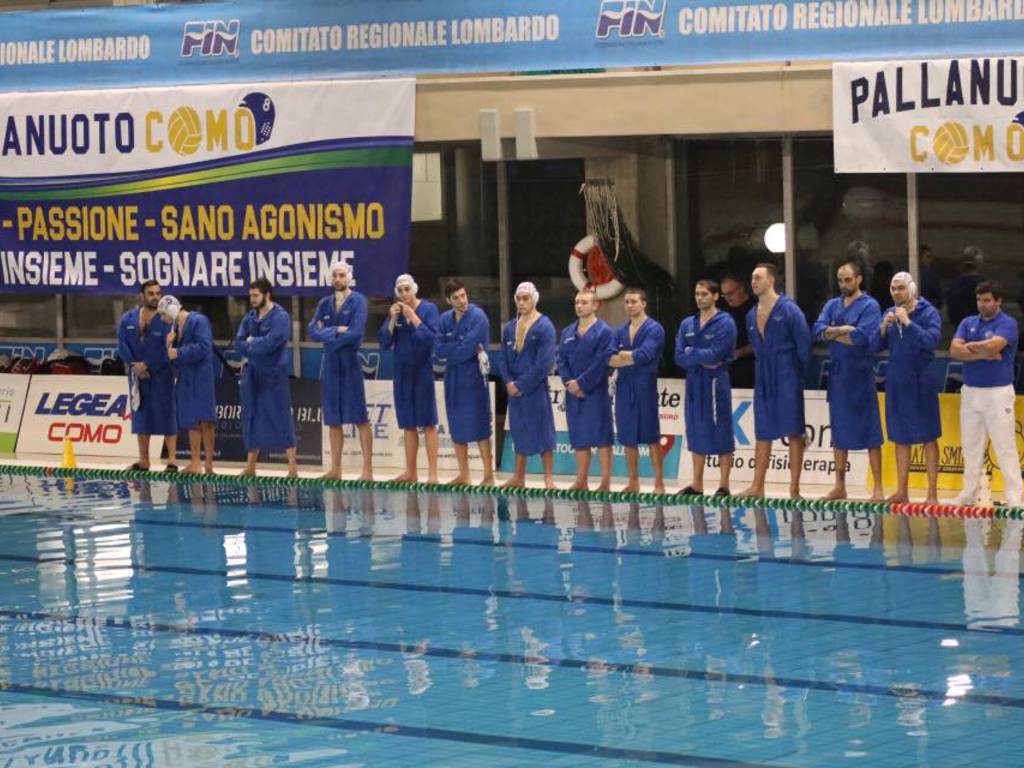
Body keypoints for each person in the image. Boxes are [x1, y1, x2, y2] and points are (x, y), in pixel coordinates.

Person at [738, 263, 812, 500]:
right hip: (763, 375)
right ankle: (757, 486)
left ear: (770, 280)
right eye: (752, 277)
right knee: (763, 431)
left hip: (786, 373)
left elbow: (805, 346)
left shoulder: (789, 310)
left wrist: (794, 373)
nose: (753, 281)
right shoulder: (751, 314)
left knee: (793, 430)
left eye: (758, 277)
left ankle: (794, 489)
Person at [813, 261, 885, 501]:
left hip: (861, 374)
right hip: (839, 375)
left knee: (871, 434)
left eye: (847, 280)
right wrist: (844, 330)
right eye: (840, 280)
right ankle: (839, 485)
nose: (843, 284)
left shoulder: (870, 305)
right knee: (839, 434)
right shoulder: (832, 304)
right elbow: (817, 330)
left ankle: (878, 488)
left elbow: (863, 338)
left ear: (859, 279)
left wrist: (834, 332)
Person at [950, 281, 1023, 508]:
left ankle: (1014, 494)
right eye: (979, 300)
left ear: (999, 301)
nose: (982, 305)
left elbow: (994, 347)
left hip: (997, 392)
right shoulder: (967, 322)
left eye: (987, 300)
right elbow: (954, 350)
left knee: (1005, 445)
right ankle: (969, 492)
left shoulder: (1008, 323)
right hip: (971, 392)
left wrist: (971, 347)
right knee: (971, 446)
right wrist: (984, 351)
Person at [880, 272, 942, 504]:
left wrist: (908, 323)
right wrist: (883, 328)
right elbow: (876, 346)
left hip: (921, 380)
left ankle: (932, 493)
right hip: (897, 380)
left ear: (912, 289)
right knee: (900, 437)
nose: (896, 292)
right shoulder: (889, 313)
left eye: (901, 288)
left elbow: (931, 342)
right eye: (893, 289)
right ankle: (902, 490)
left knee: (929, 436)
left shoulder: (929, 313)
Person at [308, 261, 373, 481]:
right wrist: (337, 330)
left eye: (341, 275)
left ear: (349, 277)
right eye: (335, 275)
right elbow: (312, 332)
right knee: (333, 419)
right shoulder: (324, 303)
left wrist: (327, 334)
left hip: (350, 365)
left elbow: (355, 334)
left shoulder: (359, 301)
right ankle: (336, 469)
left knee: (360, 418)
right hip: (331, 366)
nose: (338, 279)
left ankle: (368, 470)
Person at [675, 279, 737, 495]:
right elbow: (678, 356)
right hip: (694, 382)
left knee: (721, 428)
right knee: (695, 428)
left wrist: (692, 354)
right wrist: (699, 357)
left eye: (704, 294)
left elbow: (717, 354)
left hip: (715, 381)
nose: (699, 297)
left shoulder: (725, 323)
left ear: (715, 296)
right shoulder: (687, 324)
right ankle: (697, 483)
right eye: (697, 293)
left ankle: (724, 485)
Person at [379, 273, 440, 484]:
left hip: (422, 372)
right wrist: (393, 319)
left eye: (407, 289)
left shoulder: (429, 309)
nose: (405, 294)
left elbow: (430, 340)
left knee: (429, 423)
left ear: (414, 289)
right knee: (408, 425)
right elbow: (384, 343)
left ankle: (432, 473)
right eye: (401, 291)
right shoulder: (395, 314)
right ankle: (411, 472)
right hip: (402, 373)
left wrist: (413, 316)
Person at [234, 278, 298, 478]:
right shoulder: (250, 317)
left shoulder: (281, 317)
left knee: (281, 418)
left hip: (274, 375)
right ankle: (251, 467)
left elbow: (272, 343)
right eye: (250, 295)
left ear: (267, 295)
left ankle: (292, 469)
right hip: (253, 374)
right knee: (251, 417)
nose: (252, 299)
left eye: (255, 295)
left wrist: (252, 342)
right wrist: (254, 344)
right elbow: (238, 342)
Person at [433, 279, 494, 485]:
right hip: (453, 379)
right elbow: (438, 349)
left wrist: (451, 350)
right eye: (457, 297)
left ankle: (488, 475)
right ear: (448, 300)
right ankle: (464, 474)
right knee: (457, 426)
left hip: (474, 377)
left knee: (480, 426)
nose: (462, 301)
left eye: (464, 295)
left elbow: (468, 349)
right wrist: (454, 349)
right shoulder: (443, 320)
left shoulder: (478, 317)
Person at [499, 282, 557, 489]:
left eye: (526, 298)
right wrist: (508, 382)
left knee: (543, 430)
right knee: (519, 430)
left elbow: (545, 362)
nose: (522, 303)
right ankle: (519, 476)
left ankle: (548, 477)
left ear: (534, 299)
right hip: (514, 389)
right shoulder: (509, 328)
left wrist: (522, 384)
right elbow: (503, 359)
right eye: (519, 299)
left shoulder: (545, 326)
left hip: (534, 388)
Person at [557, 289, 616, 491]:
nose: (579, 306)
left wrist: (582, 383)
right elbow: (561, 360)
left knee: (601, 437)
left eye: (583, 302)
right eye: (577, 302)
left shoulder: (605, 332)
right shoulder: (567, 332)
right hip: (573, 392)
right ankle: (581, 480)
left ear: (595, 305)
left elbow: (602, 362)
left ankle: (605, 481)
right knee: (579, 437)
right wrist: (569, 383)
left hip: (595, 391)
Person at [117, 280, 178, 472]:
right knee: (141, 415)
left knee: (167, 414)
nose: (155, 297)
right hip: (137, 375)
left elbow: (167, 348)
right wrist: (135, 366)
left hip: (161, 373)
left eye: (158, 293)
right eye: (151, 293)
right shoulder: (127, 319)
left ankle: (172, 460)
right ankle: (144, 461)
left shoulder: (167, 319)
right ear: (141, 296)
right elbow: (122, 344)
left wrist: (148, 365)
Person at [609, 287, 666, 493]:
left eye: (634, 301)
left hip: (645, 385)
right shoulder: (620, 331)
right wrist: (631, 357)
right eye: (627, 302)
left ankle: (659, 482)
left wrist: (625, 356)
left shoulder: (655, 329)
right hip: (624, 385)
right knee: (627, 435)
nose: (630, 305)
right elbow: (610, 357)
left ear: (644, 303)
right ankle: (633, 481)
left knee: (651, 435)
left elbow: (647, 354)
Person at [158, 295, 216, 475]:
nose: (162, 319)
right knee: (192, 421)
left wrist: (178, 352)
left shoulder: (199, 321)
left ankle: (209, 465)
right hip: (186, 378)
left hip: (201, 377)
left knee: (206, 420)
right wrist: (168, 347)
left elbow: (204, 346)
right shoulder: (174, 329)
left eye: (163, 314)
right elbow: (174, 360)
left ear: (172, 309)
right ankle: (195, 462)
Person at [719, 274, 756, 389]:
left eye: (730, 293)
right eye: (724, 295)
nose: (728, 298)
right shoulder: (722, 311)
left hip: (751, 368)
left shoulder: (756, 309)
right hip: (727, 369)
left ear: (742, 288)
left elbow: (764, 341)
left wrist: (739, 353)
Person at [946, 246, 985, 329]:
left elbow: (952, 313)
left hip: (960, 329)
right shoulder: (984, 284)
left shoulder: (954, 284)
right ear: (979, 263)